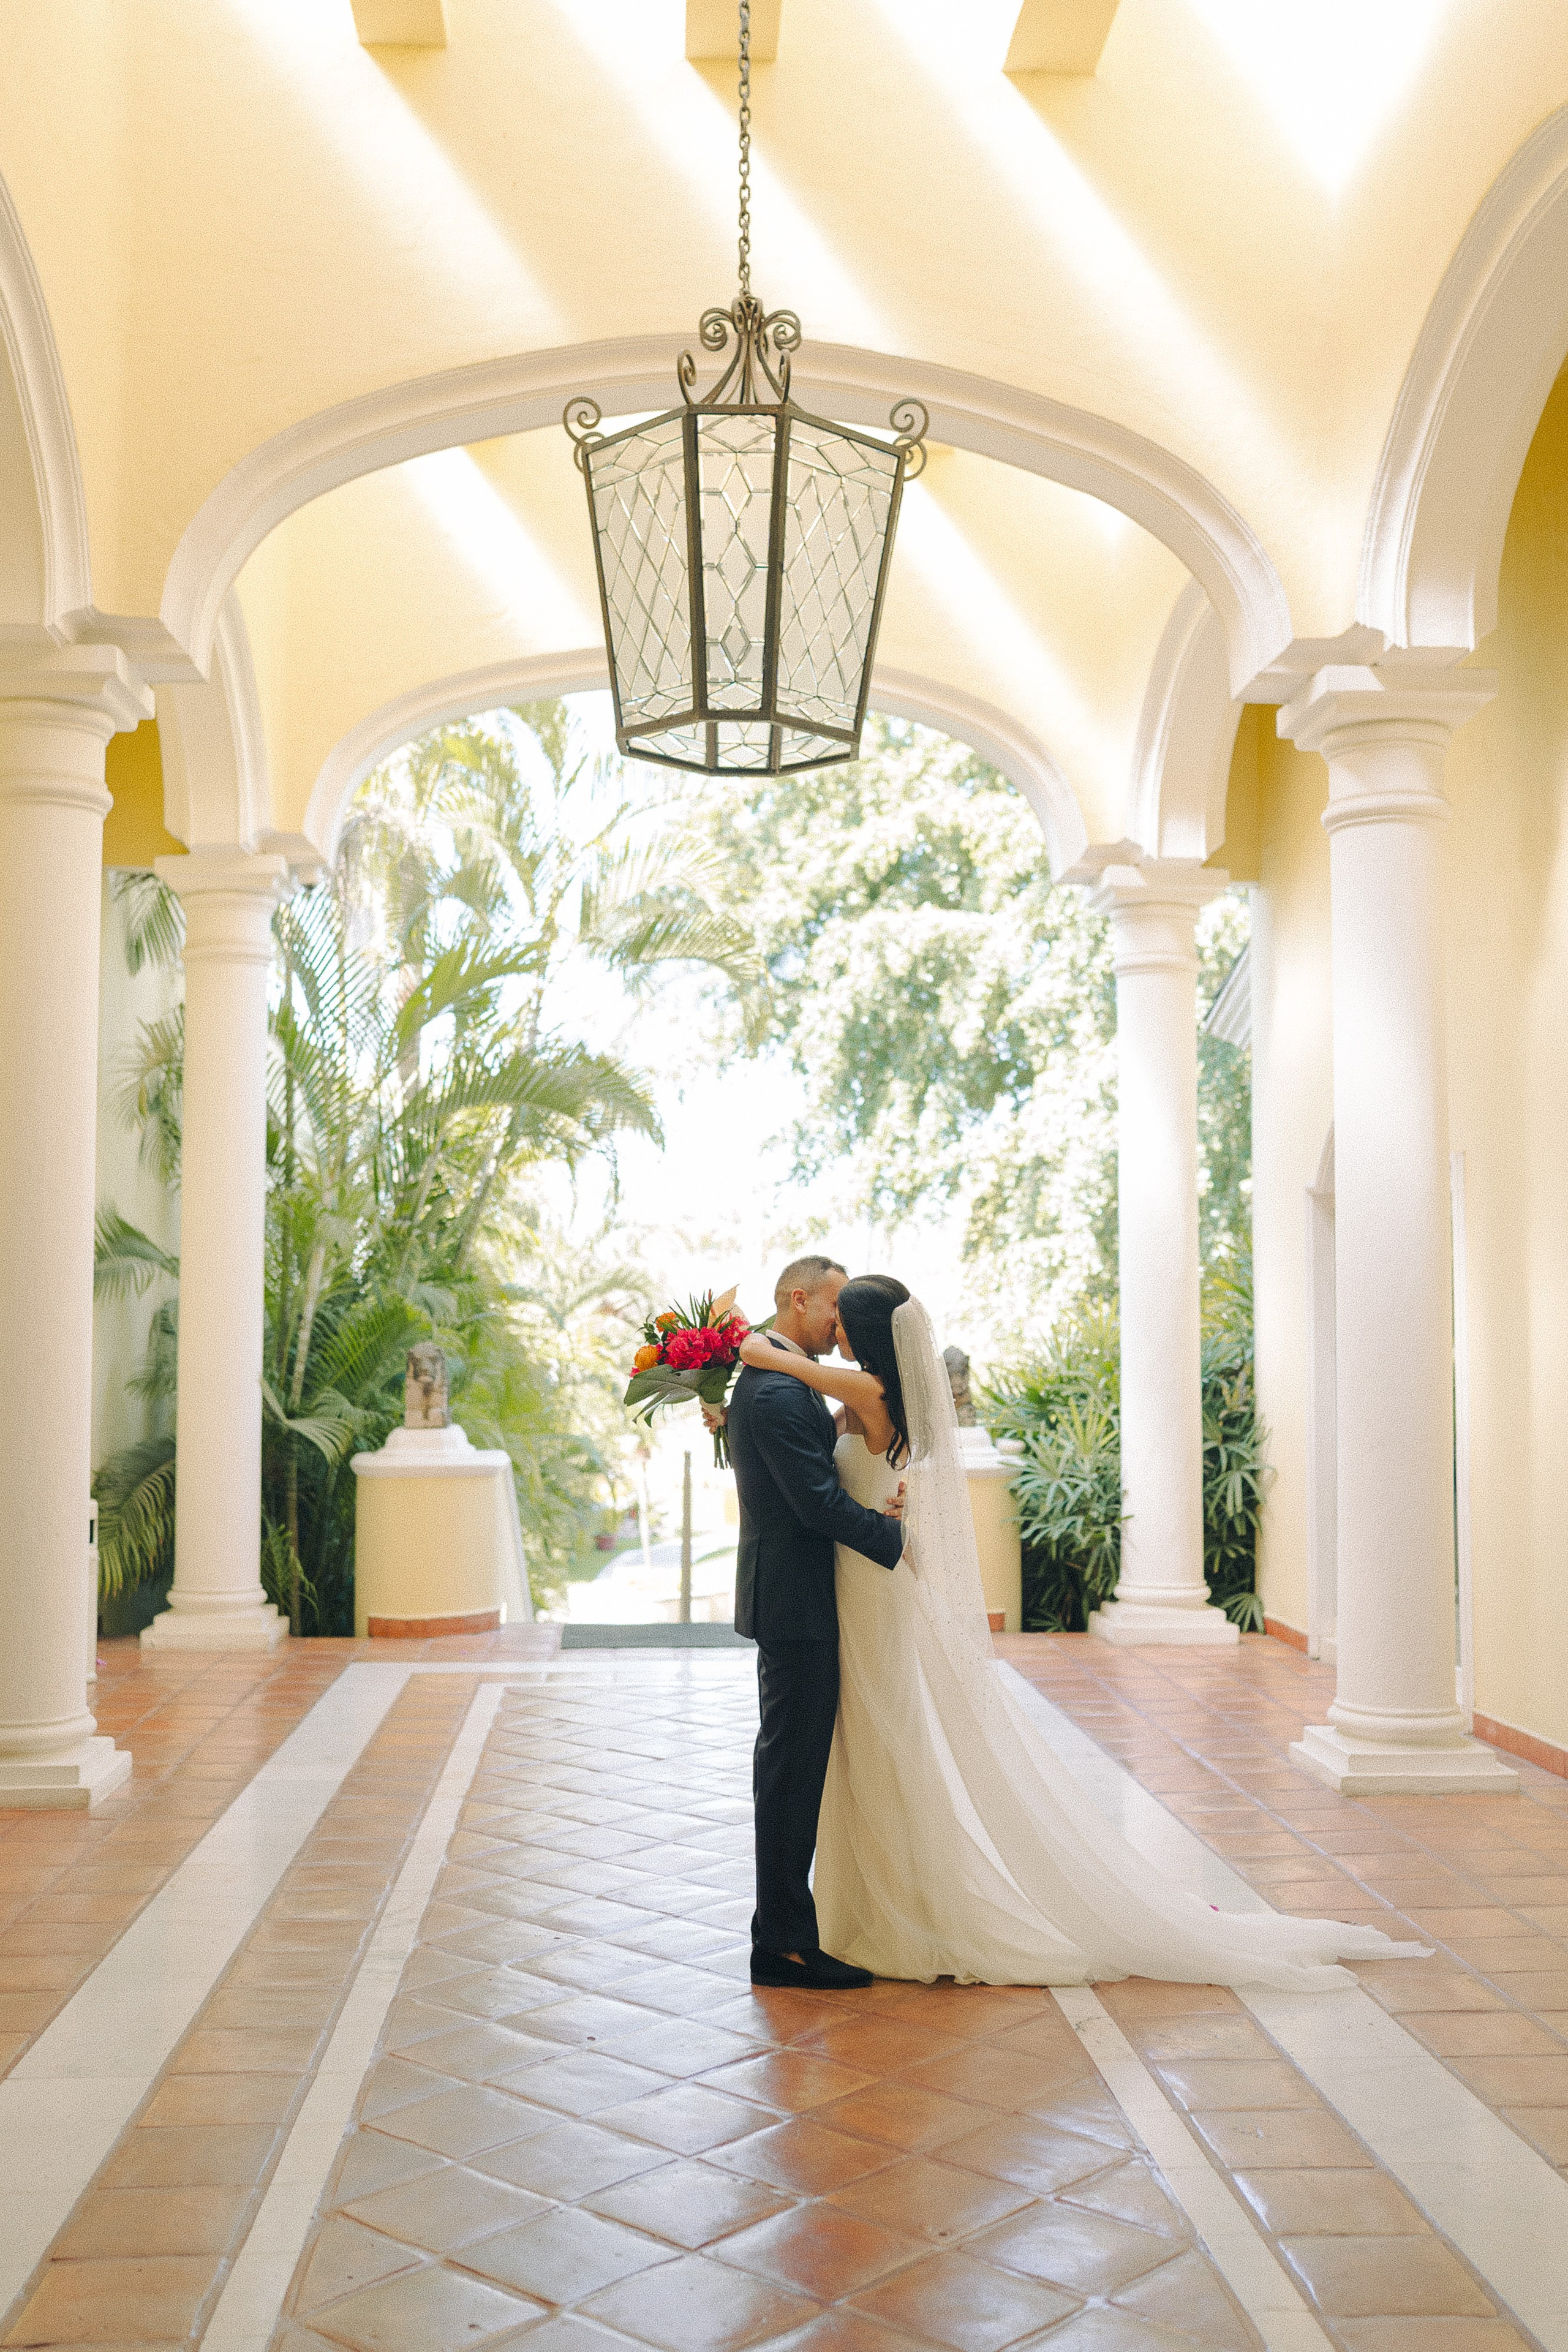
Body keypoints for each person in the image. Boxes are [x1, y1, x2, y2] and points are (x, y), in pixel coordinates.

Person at [734, 1276, 1431, 1991]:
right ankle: (865, 1912)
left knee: (881, 1742)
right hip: (852, 1592)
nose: (836, 1333)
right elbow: (809, 1440)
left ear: (869, 1334)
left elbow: (790, 1378)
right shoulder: (862, 1395)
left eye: (846, 1323)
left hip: (867, 1590)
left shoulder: (870, 1395)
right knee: (868, 1750)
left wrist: (755, 1350)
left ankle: (890, 1914)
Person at [725, 1254, 907, 1991]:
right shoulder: (773, 1393)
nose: (840, 1324)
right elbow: (815, 1506)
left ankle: (788, 1930)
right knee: (790, 1771)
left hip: (801, 1594)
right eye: (833, 1308)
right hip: (794, 1601)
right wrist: (895, 1540)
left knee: (794, 1767)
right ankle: (782, 1944)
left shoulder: (782, 1381)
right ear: (799, 1301)